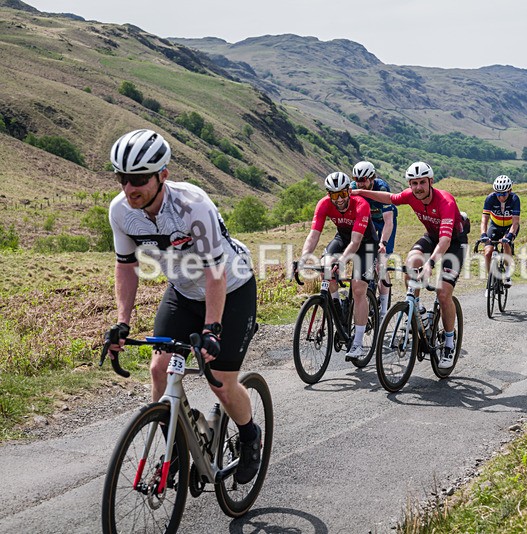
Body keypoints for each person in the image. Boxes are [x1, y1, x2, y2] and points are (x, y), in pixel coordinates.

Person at [104, 129, 261, 484]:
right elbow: (126, 266)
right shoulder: (121, 211)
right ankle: (174, 451)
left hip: (231, 288)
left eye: (140, 179)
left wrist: (212, 330)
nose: (130, 188)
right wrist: (122, 322)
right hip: (183, 291)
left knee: (220, 381)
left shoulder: (194, 205)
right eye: (122, 178)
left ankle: (250, 437)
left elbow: (215, 272)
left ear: (163, 175)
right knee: (159, 369)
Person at [352, 161, 468, 369]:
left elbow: (445, 241)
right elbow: (389, 198)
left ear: (431, 181)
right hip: (431, 236)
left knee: (443, 294)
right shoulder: (411, 195)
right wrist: (360, 191)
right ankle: (418, 310)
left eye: (422, 182)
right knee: (410, 263)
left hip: (453, 242)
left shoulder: (446, 201)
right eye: (413, 183)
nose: (417, 188)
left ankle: (449, 343)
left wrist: (431, 263)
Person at [298, 171, 378, 361]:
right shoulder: (324, 204)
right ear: (329, 195)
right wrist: (303, 258)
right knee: (326, 268)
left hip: (365, 243)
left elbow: (356, 241)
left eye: (342, 194)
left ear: (349, 191)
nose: (339, 199)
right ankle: (338, 307)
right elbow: (314, 234)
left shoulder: (362, 205)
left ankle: (358, 343)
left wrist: (342, 261)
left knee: (358, 288)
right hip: (342, 237)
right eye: (334, 195)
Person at [350, 161, 397, 320]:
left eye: (363, 179)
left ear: (372, 178)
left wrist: (383, 242)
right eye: (356, 179)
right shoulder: (353, 187)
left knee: (380, 263)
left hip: (384, 221)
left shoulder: (382, 188)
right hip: (368, 221)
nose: (359, 183)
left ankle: (383, 310)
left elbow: (389, 221)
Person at [479, 175, 520, 287]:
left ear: (510, 191)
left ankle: (507, 273)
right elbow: (484, 220)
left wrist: (510, 236)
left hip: (510, 227)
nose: (501, 197)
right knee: (487, 252)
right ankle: (490, 279)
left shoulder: (515, 199)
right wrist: (483, 234)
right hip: (495, 226)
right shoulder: (490, 198)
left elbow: (515, 222)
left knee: (506, 244)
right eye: (498, 193)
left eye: (504, 194)